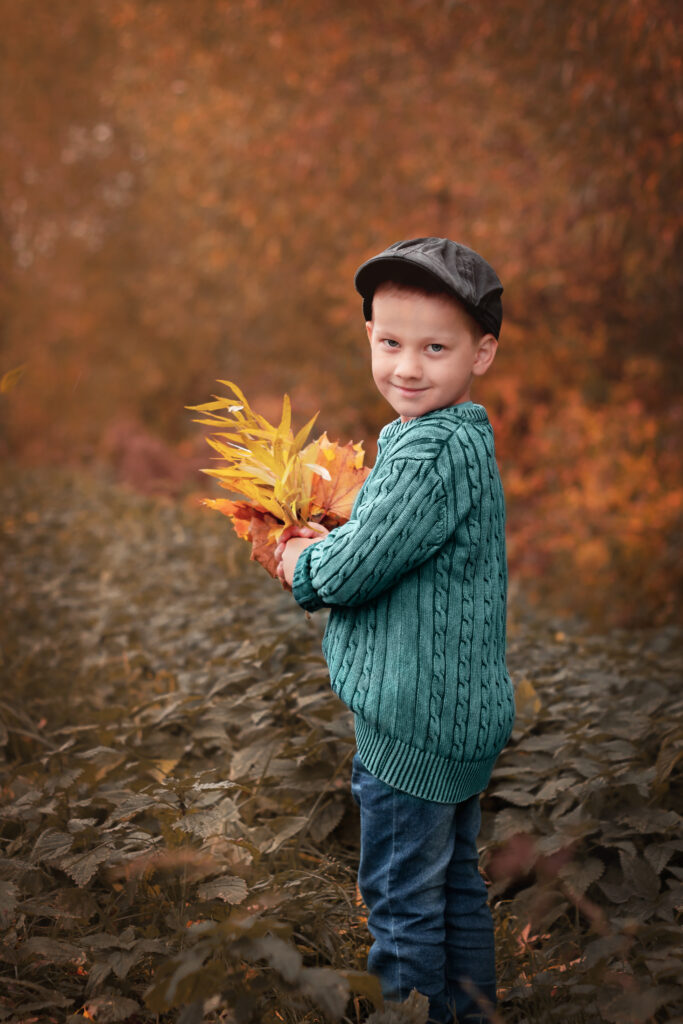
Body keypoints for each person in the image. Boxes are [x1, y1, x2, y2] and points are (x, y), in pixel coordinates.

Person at [273, 237, 515, 1024]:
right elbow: (392, 538)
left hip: (414, 722)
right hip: (458, 717)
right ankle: (469, 1013)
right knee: (451, 890)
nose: (407, 367)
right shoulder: (461, 436)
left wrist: (296, 560)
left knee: (403, 905)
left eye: (434, 348)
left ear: (481, 352)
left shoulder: (426, 451)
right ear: (368, 337)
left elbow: (354, 569)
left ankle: (416, 1014)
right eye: (390, 343)